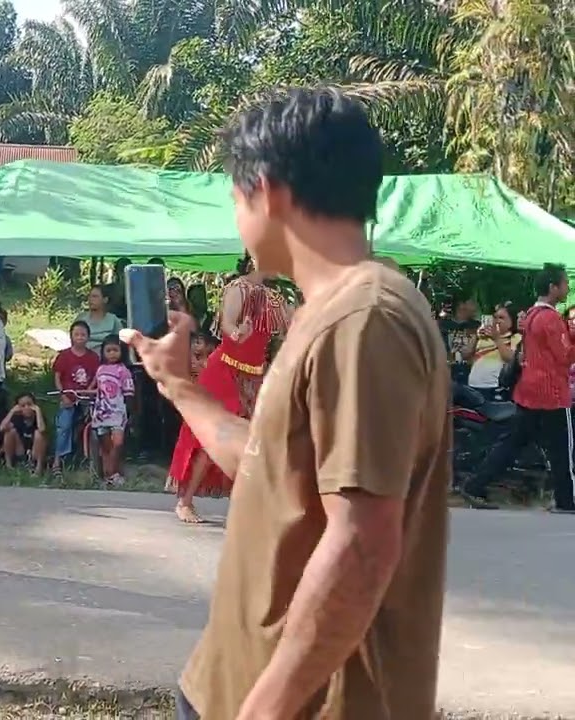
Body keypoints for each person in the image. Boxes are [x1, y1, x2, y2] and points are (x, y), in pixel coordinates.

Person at [122, 87, 450, 720]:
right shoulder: (323, 313)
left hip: (304, 703)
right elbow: (268, 466)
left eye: (234, 195)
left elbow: (362, 543)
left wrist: (265, 707)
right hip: (235, 679)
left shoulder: (365, 319)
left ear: (266, 191)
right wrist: (179, 385)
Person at [166, 252, 291, 524]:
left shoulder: (275, 298)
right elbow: (227, 324)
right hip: (224, 372)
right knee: (215, 439)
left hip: (254, 376)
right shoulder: (238, 288)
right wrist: (237, 332)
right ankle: (185, 502)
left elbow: (290, 328)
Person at [461, 263, 575, 513]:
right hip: (552, 392)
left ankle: (475, 485)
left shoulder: (531, 315)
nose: (567, 288)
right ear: (553, 287)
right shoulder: (550, 319)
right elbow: (565, 356)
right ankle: (566, 501)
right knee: (561, 449)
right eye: (565, 283)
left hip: (529, 390)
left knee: (513, 442)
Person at [51, 320, 100, 472]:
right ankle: (57, 461)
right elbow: (58, 377)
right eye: (76, 334)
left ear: (88, 337)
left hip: (87, 398)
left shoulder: (93, 357)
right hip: (69, 398)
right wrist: (63, 395)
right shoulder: (64, 356)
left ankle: (93, 461)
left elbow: (96, 377)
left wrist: (89, 390)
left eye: (83, 334)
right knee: (64, 426)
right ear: (71, 336)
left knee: (95, 426)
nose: (80, 337)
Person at [90, 334, 135, 487]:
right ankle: (109, 476)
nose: (112, 354)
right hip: (101, 414)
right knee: (106, 446)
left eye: (115, 350)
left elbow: (129, 394)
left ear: (122, 351)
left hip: (118, 414)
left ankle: (113, 471)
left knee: (118, 443)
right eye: (108, 351)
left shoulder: (124, 371)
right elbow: (95, 388)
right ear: (103, 352)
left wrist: (130, 412)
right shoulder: (100, 369)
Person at [466, 301, 520, 394]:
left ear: (511, 321)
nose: (497, 321)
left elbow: (510, 358)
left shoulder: (516, 337)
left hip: (494, 387)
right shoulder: (484, 337)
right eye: (495, 317)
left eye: (501, 318)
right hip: (473, 386)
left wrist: (497, 338)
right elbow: (465, 355)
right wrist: (476, 336)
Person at [0, 392, 47, 473]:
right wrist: (12, 412)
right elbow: (2, 428)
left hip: (34, 451)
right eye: (23, 406)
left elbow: (42, 429)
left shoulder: (39, 418)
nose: (27, 408)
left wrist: (38, 411)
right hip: (21, 450)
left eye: (29, 404)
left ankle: (38, 468)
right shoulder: (17, 418)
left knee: (38, 434)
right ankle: (9, 466)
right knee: (10, 432)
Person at [74, 285, 124, 352]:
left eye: (95, 296)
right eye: (89, 296)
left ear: (105, 300)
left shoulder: (113, 321)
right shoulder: (81, 318)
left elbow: (120, 343)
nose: (90, 299)